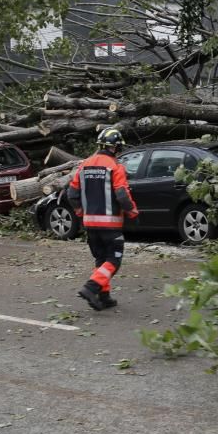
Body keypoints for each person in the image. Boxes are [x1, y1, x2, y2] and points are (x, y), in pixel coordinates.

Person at [67, 127, 139, 311]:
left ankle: (104, 297)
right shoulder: (115, 167)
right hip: (110, 225)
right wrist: (132, 212)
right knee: (114, 260)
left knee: (101, 260)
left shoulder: (84, 165)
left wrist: (79, 212)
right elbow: (122, 194)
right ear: (115, 147)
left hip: (90, 224)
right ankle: (90, 288)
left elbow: (72, 193)